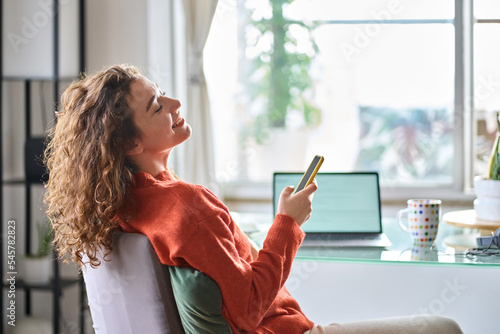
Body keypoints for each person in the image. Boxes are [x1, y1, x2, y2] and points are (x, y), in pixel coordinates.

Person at [44, 64, 463, 334]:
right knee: (442, 327)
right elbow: (246, 310)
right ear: (132, 143)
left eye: (164, 93)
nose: (174, 103)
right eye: (157, 106)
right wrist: (289, 223)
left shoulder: (117, 205)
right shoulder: (185, 205)